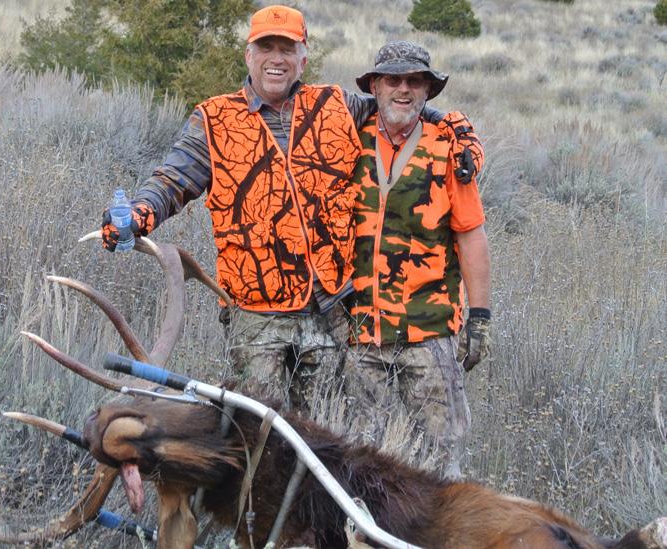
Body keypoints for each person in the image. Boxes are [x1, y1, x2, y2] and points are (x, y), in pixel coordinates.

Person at [102, 6, 482, 411]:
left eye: (288, 48)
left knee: (322, 437)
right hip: (256, 316)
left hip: (330, 312)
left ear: (303, 58)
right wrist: (137, 217)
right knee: (255, 436)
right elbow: (171, 181)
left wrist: (457, 126)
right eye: (266, 47)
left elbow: (397, 103)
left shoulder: (335, 105)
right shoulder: (215, 120)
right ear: (249, 55)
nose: (277, 59)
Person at [343, 40, 491, 480]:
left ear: (428, 89)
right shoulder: (347, 142)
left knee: (441, 470)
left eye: (415, 81)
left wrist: (479, 317)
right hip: (358, 332)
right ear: (375, 85)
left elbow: (471, 236)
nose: (403, 90)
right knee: (358, 465)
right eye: (393, 80)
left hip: (428, 333)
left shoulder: (450, 151)